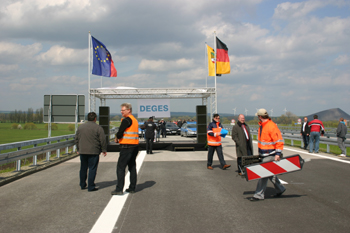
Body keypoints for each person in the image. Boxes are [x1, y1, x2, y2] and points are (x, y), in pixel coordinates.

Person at [250, 109, 286, 201]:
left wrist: (278, 154)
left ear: (260, 116)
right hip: (264, 154)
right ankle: (280, 188)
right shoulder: (262, 126)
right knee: (270, 173)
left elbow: (279, 141)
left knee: (263, 173)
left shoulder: (271, 126)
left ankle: (258, 195)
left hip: (270, 154)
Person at [111, 103, 139, 195]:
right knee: (132, 167)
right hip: (134, 146)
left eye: (123, 110)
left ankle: (119, 189)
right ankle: (132, 187)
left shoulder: (126, 120)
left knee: (120, 168)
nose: (121, 112)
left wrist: (117, 138)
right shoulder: (134, 120)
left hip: (126, 147)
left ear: (129, 110)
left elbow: (120, 132)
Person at [75, 112, 107, 192]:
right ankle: (91, 186)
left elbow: (76, 139)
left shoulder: (81, 127)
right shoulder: (98, 128)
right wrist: (104, 149)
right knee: (92, 169)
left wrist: (78, 149)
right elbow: (102, 139)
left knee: (83, 168)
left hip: (83, 151)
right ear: (95, 118)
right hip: (94, 151)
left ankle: (82, 184)